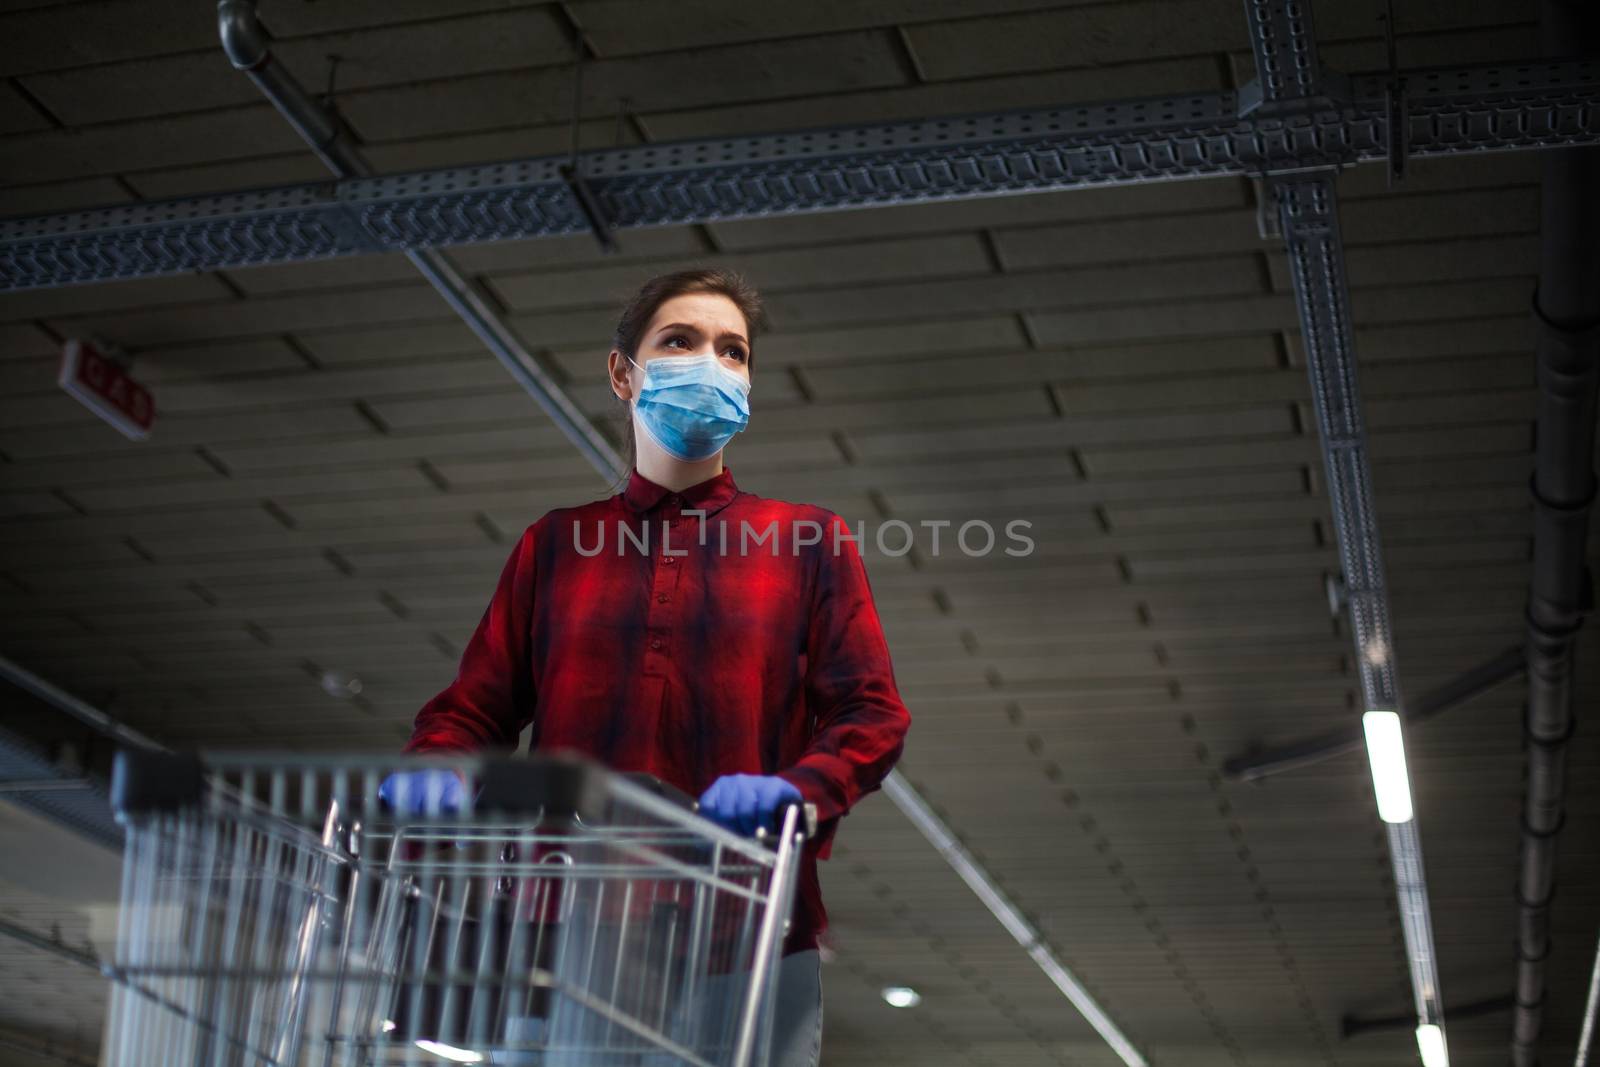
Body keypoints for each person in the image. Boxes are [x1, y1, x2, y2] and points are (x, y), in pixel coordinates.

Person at [379, 268, 912, 1067]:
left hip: (748, 926)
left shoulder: (806, 541)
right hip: (568, 928)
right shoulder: (556, 545)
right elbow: (475, 707)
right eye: (680, 341)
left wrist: (795, 791)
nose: (711, 364)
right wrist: (440, 768)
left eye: (732, 351)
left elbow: (872, 713)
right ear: (624, 374)